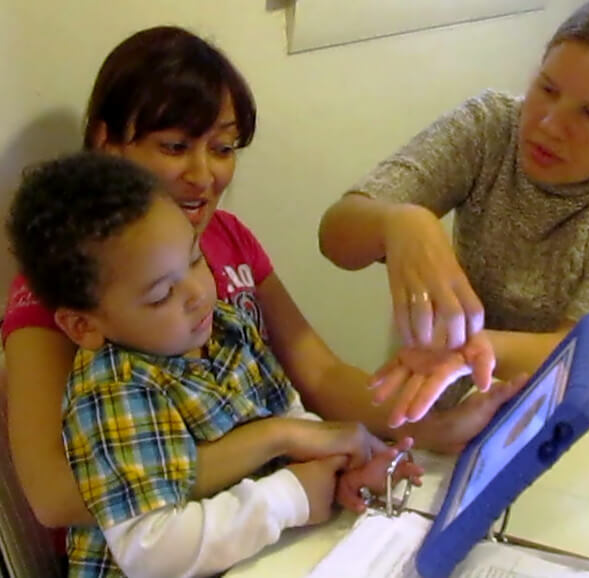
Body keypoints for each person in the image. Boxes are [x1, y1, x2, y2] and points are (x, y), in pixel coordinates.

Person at [1, 26, 521, 536]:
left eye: (223, 148)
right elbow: (54, 497)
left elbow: (317, 374)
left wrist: (426, 427)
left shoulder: (227, 237)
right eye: (176, 145)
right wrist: (276, 444)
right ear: (107, 145)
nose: (204, 175)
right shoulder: (70, 285)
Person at [7, 151, 424, 577]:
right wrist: (289, 497)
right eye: (159, 295)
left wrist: (340, 466)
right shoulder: (117, 388)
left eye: (193, 259)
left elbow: (289, 417)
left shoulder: (225, 325)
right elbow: (152, 552)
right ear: (83, 326)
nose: (196, 293)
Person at [319, 0, 589, 424]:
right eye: (547, 88)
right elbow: (337, 236)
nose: (547, 124)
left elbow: (579, 354)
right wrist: (399, 222)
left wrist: (468, 350)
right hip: (460, 398)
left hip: (588, 408)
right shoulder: (490, 126)